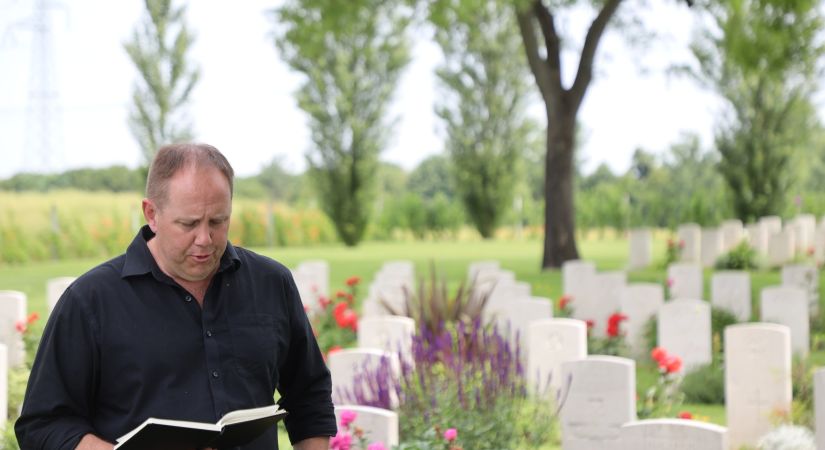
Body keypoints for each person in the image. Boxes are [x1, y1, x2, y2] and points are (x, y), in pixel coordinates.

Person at [15, 143, 336, 450]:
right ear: (151, 213)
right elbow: (42, 425)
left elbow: (308, 395)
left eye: (218, 221)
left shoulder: (272, 282)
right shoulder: (89, 300)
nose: (204, 239)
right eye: (189, 223)